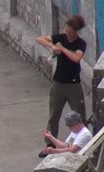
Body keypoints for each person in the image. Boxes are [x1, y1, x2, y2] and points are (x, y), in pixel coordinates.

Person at [36, 15, 87, 158]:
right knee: (54, 115)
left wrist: (62, 49)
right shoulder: (61, 37)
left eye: (70, 31)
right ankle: (50, 144)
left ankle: (83, 144)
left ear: (75, 31)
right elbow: (39, 39)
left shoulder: (80, 43)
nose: (67, 33)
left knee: (79, 115)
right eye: (66, 29)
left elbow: (76, 58)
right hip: (58, 83)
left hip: (73, 85)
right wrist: (53, 47)